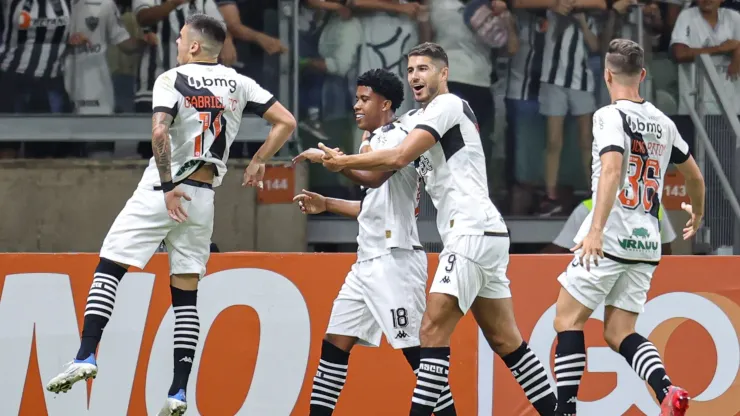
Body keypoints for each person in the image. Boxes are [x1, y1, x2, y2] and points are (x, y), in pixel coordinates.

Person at [44, 13, 296, 416]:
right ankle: (178, 392)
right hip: (204, 197)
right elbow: (286, 121)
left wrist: (166, 190)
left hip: (164, 191)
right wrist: (259, 160)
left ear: (194, 46)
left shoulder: (172, 78)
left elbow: (160, 132)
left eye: (180, 38)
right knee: (185, 293)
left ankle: (86, 354)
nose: (177, 44)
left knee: (110, 264)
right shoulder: (240, 82)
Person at [319, 42, 557, 416]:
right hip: (483, 235)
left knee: (430, 331)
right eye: (411, 69)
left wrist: (344, 159)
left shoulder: (448, 105)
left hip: (470, 232)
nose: (415, 76)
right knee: (506, 341)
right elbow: (382, 168)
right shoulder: (417, 117)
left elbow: (399, 156)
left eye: (424, 69)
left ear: (443, 73)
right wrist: (348, 157)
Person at [550, 38, 705, 416]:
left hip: (612, 234)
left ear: (607, 74)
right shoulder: (664, 123)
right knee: (619, 332)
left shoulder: (608, 116)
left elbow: (613, 169)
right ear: (644, 75)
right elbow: (695, 177)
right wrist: (697, 214)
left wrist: (596, 230)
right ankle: (667, 390)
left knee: (566, 318)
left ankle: (565, 409)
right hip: (646, 242)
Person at [293, 68, 456, 416]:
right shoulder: (371, 142)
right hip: (365, 263)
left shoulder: (399, 136)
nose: (356, 105)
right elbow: (373, 205)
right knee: (334, 345)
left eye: (364, 99)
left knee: (419, 357)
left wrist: (333, 163)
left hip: (395, 261)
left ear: (385, 104)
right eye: (356, 98)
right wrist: (327, 203)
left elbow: (376, 177)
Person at [543, 198, 677, 255]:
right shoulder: (586, 209)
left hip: (602, 281)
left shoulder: (586, 208)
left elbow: (666, 252)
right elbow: (666, 250)